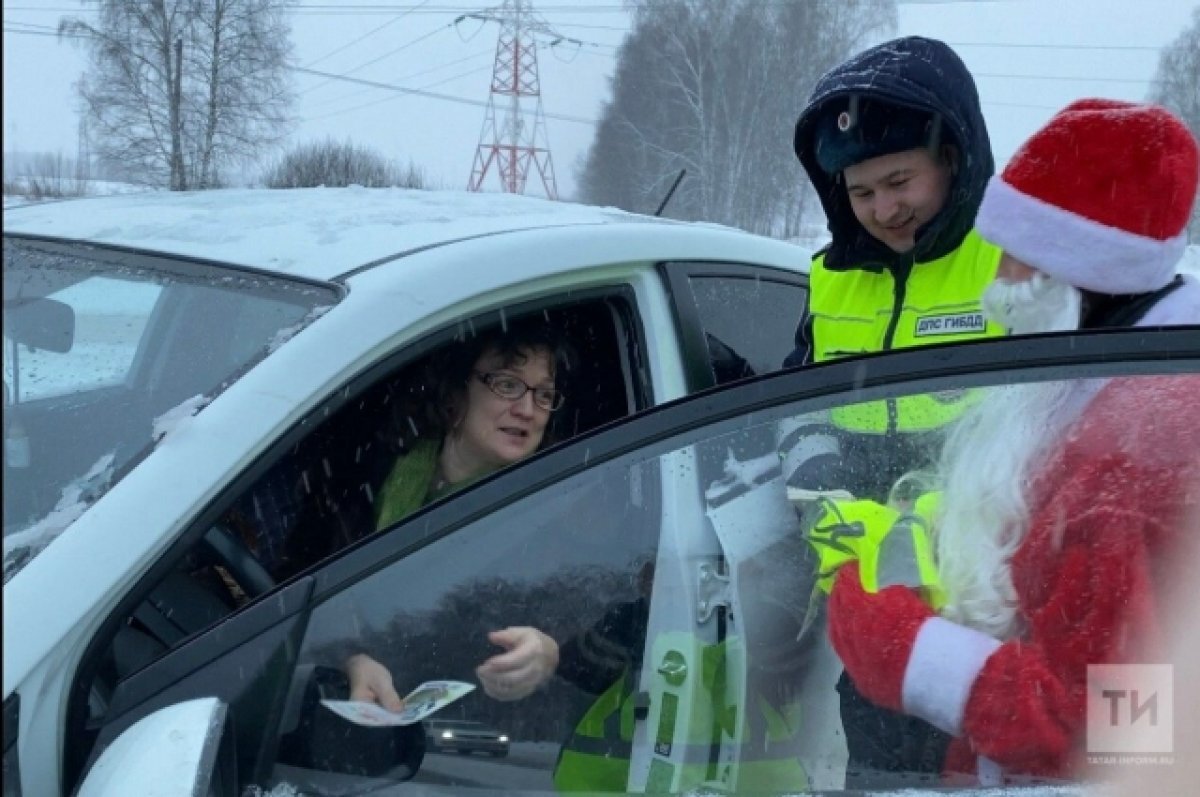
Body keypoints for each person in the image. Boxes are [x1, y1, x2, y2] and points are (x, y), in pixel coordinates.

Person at [823, 98, 1200, 785]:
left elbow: (1123, 730)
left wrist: (907, 652)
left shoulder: (1134, 461)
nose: (996, 285)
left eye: (1013, 257)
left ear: (1076, 270)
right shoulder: (1097, 387)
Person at [782, 34, 1004, 786]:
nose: (884, 208)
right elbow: (794, 402)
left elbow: (1060, 427)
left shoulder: (1016, 266)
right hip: (872, 624)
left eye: (900, 180)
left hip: (999, 616)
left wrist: (937, 519)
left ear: (955, 154)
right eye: (861, 191)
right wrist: (813, 477)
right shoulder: (830, 282)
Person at [337, 319, 571, 710]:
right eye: (508, 385)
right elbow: (305, 586)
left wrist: (546, 652)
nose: (528, 409)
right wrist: (349, 658)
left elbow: (566, 616)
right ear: (457, 390)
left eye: (544, 394)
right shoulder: (370, 466)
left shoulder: (547, 509)